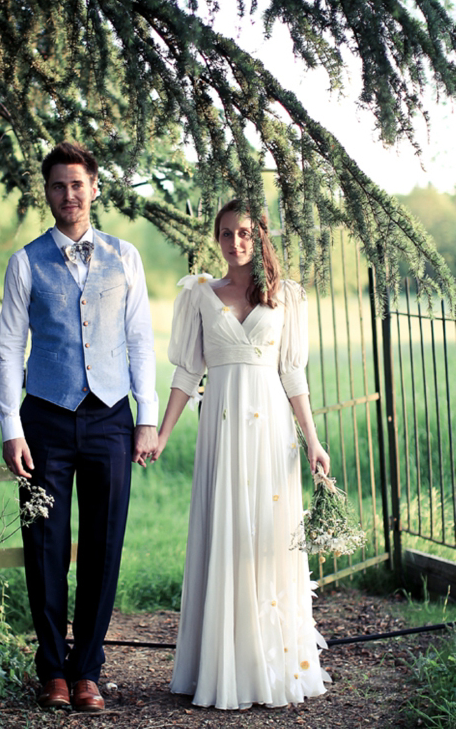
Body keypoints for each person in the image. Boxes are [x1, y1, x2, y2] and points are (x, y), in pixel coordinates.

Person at [0, 141, 159, 712]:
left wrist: (147, 418)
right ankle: (53, 672)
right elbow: (11, 346)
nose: (68, 194)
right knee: (44, 544)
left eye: (77, 184)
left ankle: (87, 669)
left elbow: (140, 339)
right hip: (44, 417)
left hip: (111, 418)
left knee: (102, 544)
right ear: (48, 193)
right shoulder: (26, 262)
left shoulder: (126, 257)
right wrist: (10, 428)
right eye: (57, 186)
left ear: (94, 187)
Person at [154, 199, 331, 711]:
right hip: (222, 431)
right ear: (217, 238)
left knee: (268, 540)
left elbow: (293, 376)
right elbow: (187, 373)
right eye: (227, 233)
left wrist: (313, 441)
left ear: (261, 237)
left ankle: (272, 664)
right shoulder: (200, 296)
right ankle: (224, 665)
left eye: (246, 233)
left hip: (272, 434)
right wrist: (162, 434)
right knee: (226, 535)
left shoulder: (288, 297)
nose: (236, 242)